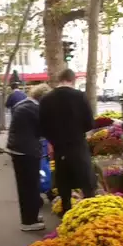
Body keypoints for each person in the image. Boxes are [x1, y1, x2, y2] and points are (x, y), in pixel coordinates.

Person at [39, 69, 96, 216]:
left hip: (59, 148)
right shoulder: (79, 96)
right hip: (77, 145)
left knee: (63, 183)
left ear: (59, 79)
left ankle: (66, 214)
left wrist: (53, 139)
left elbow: (42, 126)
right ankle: (91, 214)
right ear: (73, 80)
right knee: (86, 181)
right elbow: (89, 123)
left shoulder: (46, 99)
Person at [6, 84, 51, 232]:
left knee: (26, 186)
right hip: (27, 151)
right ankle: (28, 221)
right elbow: (43, 130)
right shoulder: (34, 109)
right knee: (30, 187)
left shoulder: (24, 104)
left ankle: (31, 216)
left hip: (18, 149)